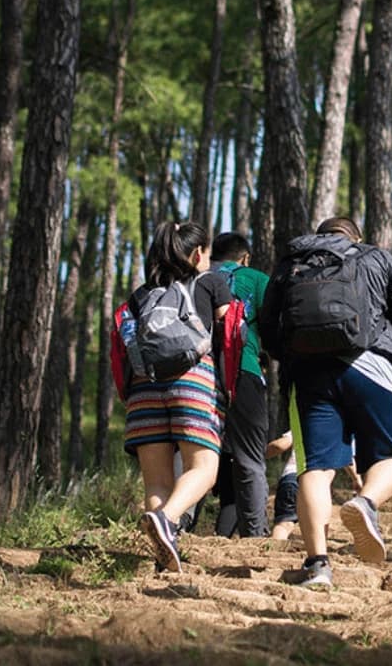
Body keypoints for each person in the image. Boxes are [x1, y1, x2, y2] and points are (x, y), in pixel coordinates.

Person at [265, 217, 392, 588]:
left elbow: (269, 328)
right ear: (356, 237)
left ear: (319, 239)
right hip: (372, 368)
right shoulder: (377, 258)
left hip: (308, 376)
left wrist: (296, 356)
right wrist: (381, 349)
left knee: (314, 468)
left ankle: (318, 565)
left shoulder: (291, 263)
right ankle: (365, 502)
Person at [123, 221, 232, 572]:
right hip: (193, 381)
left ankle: (162, 557)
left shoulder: (140, 294)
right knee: (204, 469)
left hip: (144, 388)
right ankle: (168, 522)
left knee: (157, 480)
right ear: (199, 253)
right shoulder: (210, 281)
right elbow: (229, 333)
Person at [210, 232, 271, 539]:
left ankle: (177, 528)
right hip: (242, 370)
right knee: (249, 457)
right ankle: (256, 537)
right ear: (244, 257)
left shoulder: (197, 277)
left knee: (204, 457)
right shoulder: (255, 278)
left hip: (196, 378)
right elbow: (274, 329)